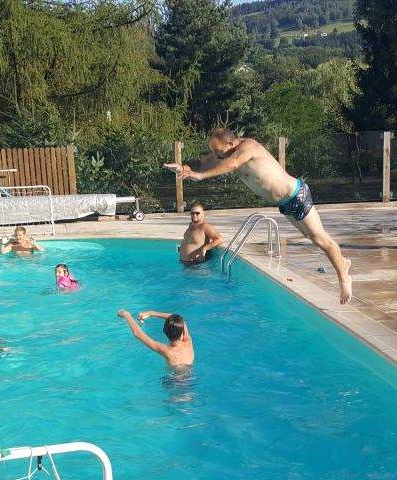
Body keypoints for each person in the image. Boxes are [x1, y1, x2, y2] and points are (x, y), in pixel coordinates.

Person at [165, 128, 352, 303]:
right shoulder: (226, 154)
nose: (216, 155)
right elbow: (205, 162)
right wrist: (185, 168)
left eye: (218, 151)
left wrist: (201, 176)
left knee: (320, 238)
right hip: (284, 203)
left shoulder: (248, 147)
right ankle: (342, 262)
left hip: (296, 195)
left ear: (230, 144)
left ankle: (344, 278)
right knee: (310, 236)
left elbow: (233, 163)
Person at [117, 309, 194, 367]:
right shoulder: (188, 342)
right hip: (190, 379)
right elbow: (179, 319)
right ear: (182, 331)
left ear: (164, 332)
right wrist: (151, 313)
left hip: (174, 382)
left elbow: (137, 334)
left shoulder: (167, 351)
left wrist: (126, 314)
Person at [179, 200, 224, 265]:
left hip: (196, 265)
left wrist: (205, 248)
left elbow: (220, 239)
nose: (194, 215)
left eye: (197, 213)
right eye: (192, 213)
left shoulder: (205, 227)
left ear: (203, 214)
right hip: (184, 263)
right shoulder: (191, 225)